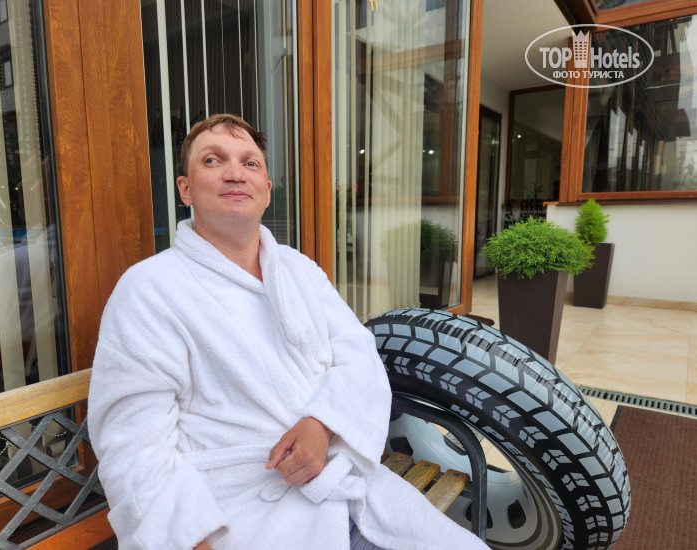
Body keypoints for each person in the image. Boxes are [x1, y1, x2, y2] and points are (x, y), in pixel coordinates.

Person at [88, 114, 489, 550]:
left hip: (348, 488)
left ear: (266, 191)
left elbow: (357, 354)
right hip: (239, 514)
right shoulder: (148, 289)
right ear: (185, 189)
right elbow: (134, 446)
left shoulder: (300, 270)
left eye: (250, 163)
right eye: (213, 160)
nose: (235, 173)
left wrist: (323, 424)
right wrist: (189, 540)